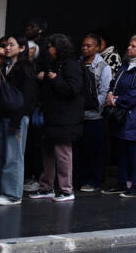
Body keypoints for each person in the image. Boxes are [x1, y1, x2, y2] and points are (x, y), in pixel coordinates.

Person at [30, 34, 84, 202]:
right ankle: (46, 187)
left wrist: (55, 79)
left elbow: (72, 89)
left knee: (63, 153)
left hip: (65, 118)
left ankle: (66, 189)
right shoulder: (54, 64)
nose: (49, 50)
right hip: (51, 116)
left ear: (60, 47)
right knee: (47, 152)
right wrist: (44, 79)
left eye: (51, 47)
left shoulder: (71, 65)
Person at [103, 36, 136, 197]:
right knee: (121, 149)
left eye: (134, 46)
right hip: (120, 113)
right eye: (129, 45)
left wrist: (116, 100)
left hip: (134, 114)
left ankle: (135, 185)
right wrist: (110, 93)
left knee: (135, 149)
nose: (129, 48)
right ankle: (121, 182)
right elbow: (114, 82)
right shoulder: (126, 64)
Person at [0, 35, 36, 206]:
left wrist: (17, 120)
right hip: (3, 115)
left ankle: (12, 194)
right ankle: (0, 190)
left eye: (11, 45)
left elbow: (28, 98)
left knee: (13, 156)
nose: (7, 48)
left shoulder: (26, 68)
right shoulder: (5, 66)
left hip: (17, 117)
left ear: (22, 48)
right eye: (6, 45)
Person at [76, 33, 112, 193]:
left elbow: (104, 91)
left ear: (97, 48)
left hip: (94, 115)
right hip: (77, 115)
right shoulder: (77, 63)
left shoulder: (103, 67)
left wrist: (93, 105)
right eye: (83, 45)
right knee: (79, 150)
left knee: (93, 150)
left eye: (88, 45)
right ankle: (78, 179)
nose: (84, 48)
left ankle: (92, 181)